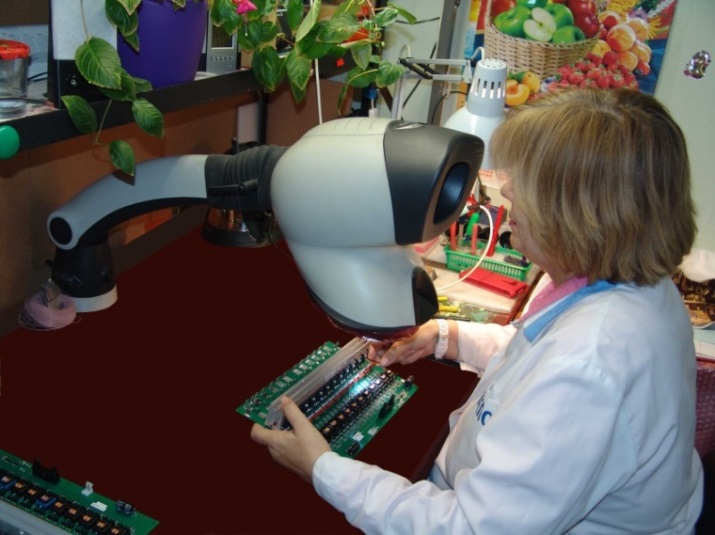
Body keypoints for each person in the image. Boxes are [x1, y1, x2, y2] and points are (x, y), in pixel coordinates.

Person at [250, 88, 704, 534]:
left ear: (578, 212)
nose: (507, 189)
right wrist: (445, 337)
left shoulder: (590, 364)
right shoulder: (634, 283)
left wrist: (323, 468)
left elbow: (470, 528)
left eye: (526, 180)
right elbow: (538, 354)